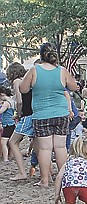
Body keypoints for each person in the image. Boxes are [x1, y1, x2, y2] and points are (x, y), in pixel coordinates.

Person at [19, 42, 78, 188]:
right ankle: (64, 178)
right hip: (61, 113)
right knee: (60, 147)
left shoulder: (34, 70)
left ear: (41, 55)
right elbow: (74, 86)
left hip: (41, 114)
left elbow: (23, 89)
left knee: (45, 148)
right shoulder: (62, 71)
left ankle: (45, 180)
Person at [5, 62, 29, 180]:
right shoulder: (28, 80)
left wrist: (18, 114)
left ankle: (22, 172)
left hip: (26, 116)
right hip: (35, 114)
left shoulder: (16, 82)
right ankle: (48, 175)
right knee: (40, 146)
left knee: (12, 142)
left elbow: (19, 101)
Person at [0, 85, 16, 162]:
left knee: (3, 142)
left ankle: (6, 159)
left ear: (2, 94)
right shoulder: (12, 101)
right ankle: (11, 156)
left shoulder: (6, 103)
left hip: (7, 124)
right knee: (10, 142)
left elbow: (1, 111)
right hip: (12, 123)